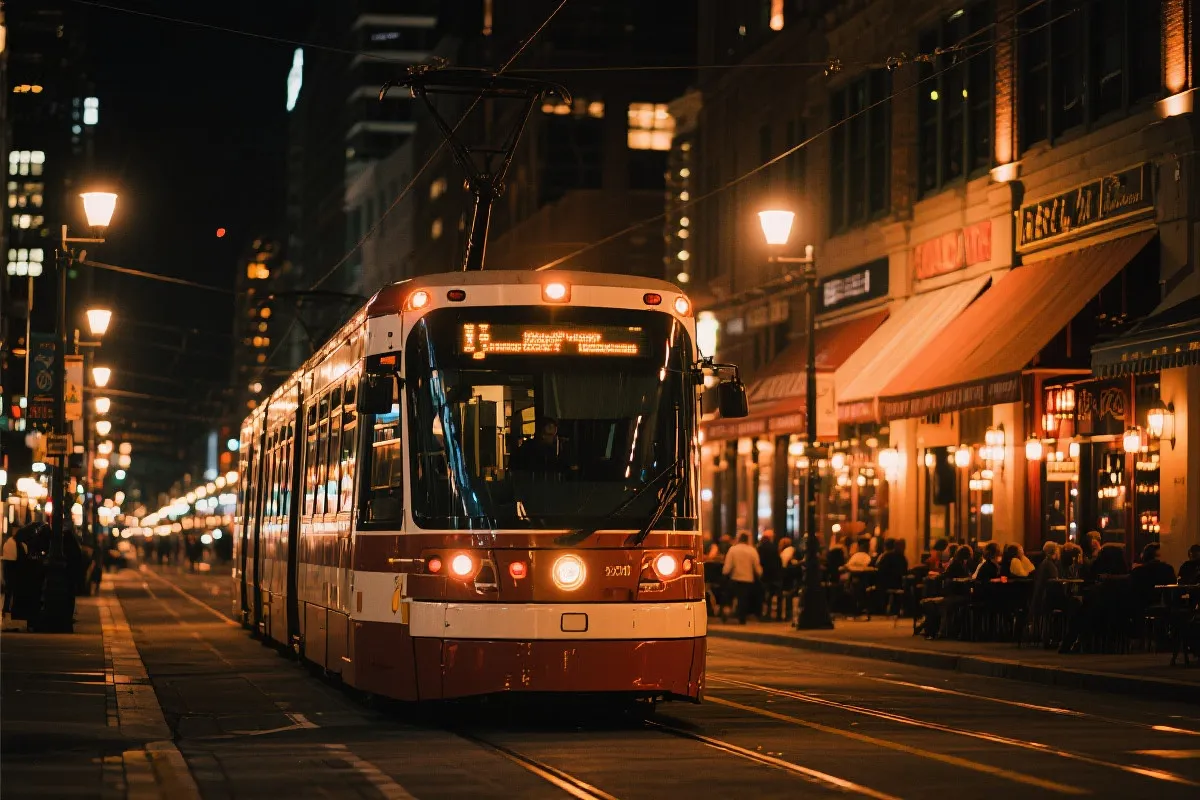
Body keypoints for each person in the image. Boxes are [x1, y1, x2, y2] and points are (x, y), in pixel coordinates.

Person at [722, 532, 762, 624]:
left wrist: (725, 573)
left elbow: (728, 565)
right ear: (748, 539)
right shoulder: (752, 550)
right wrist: (760, 574)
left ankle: (727, 612)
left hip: (735, 577)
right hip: (747, 578)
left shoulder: (733, 550)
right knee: (743, 599)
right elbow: (756, 566)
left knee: (730, 596)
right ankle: (742, 618)